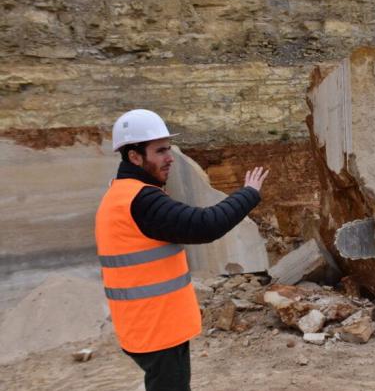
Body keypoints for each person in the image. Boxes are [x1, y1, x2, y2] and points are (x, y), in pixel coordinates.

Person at [95, 109, 268, 391]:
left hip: (143, 326)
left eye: (169, 149)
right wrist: (249, 193)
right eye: (160, 151)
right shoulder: (142, 200)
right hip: (156, 330)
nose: (169, 158)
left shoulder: (120, 193)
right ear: (134, 156)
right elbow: (205, 225)